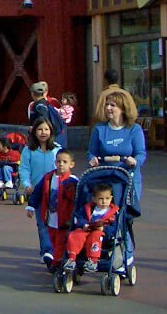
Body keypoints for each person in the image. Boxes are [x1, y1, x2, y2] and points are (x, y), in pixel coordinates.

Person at [87, 88, 145, 264]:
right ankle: (100, 250)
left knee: (123, 216)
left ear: (123, 108)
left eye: (113, 105)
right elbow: (91, 152)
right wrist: (93, 160)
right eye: (107, 105)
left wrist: (134, 161)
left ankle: (125, 252)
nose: (109, 108)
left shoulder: (134, 130)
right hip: (106, 178)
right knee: (104, 215)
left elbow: (141, 153)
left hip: (127, 178)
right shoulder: (100, 129)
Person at [21, 117, 63, 266]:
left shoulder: (57, 148)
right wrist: (26, 184)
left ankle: (57, 250)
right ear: (34, 132)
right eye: (40, 129)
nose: (43, 132)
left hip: (56, 190)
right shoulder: (28, 150)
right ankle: (46, 251)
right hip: (37, 192)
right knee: (42, 223)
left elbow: (64, 167)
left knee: (56, 221)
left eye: (46, 129)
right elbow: (24, 169)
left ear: (51, 131)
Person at [26, 150, 78, 270]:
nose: (61, 164)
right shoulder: (48, 177)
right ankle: (57, 258)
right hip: (50, 217)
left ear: (71, 164)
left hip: (64, 219)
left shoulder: (73, 181)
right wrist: (31, 206)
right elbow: (38, 192)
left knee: (61, 241)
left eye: (65, 162)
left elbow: (78, 200)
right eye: (58, 161)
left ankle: (56, 262)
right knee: (53, 240)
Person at [61, 182, 119, 273]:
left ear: (111, 198)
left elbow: (114, 227)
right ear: (94, 199)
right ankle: (71, 259)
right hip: (87, 230)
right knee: (75, 234)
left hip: (102, 234)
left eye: (107, 198)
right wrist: (83, 224)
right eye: (100, 199)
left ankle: (93, 260)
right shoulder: (88, 209)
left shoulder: (113, 213)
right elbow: (79, 218)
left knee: (95, 235)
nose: (104, 201)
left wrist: (104, 229)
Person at [27, 81, 66, 147]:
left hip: (41, 138)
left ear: (32, 93)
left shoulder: (39, 105)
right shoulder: (45, 103)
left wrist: (34, 128)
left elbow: (43, 119)